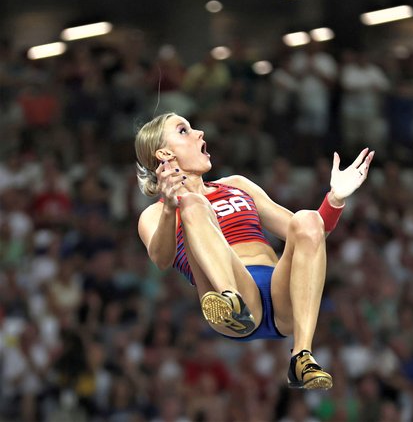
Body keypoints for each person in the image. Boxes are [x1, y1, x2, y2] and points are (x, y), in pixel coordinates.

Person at [134, 112, 374, 390]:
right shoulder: (154, 214)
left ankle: (302, 356)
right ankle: (230, 299)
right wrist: (169, 208)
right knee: (191, 204)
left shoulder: (237, 185)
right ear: (164, 153)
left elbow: (312, 236)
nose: (200, 133)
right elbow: (161, 260)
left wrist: (334, 199)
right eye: (184, 131)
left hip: (279, 292)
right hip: (232, 300)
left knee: (307, 219)